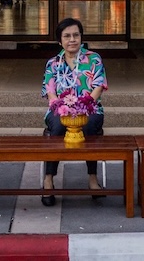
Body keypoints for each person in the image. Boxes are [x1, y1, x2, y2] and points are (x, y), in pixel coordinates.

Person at [40, 18, 107, 206]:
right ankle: (48, 179)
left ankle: (92, 179)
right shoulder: (53, 63)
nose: (72, 40)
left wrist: (84, 106)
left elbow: (98, 86)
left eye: (76, 35)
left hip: (89, 109)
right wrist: (60, 107)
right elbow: (50, 91)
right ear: (59, 40)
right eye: (67, 36)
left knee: (89, 126)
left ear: (81, 37)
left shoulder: (93, 59)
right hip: (60, 110)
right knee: (57, 127)